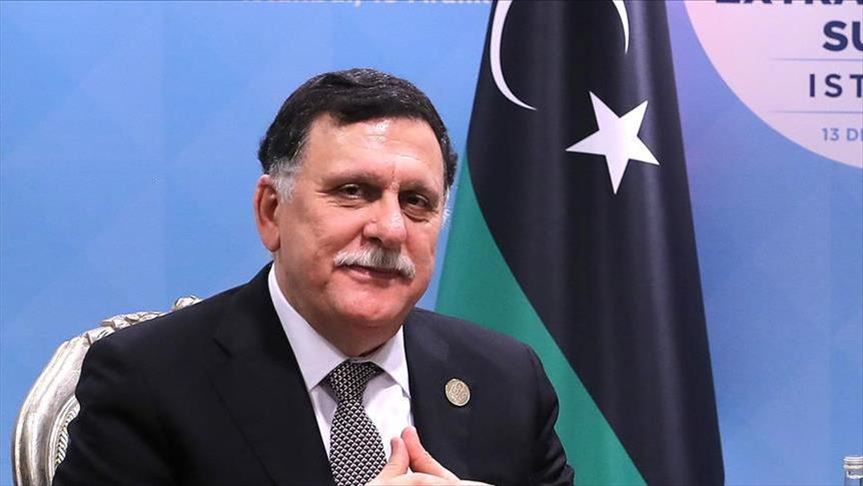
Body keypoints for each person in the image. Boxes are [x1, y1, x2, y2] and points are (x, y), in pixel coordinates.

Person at [53, 68, 574, 486]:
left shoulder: (506, 378)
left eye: (417, 201)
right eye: (353, 191)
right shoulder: (150, 378)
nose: (390, 229)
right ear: (271, 211)